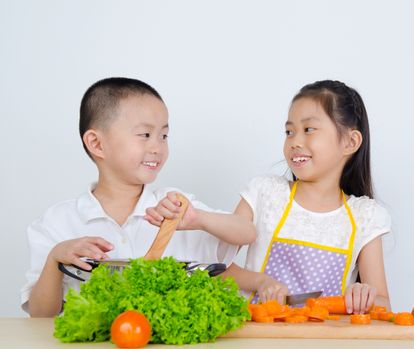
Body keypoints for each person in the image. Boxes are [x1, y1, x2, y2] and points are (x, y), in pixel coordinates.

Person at [21, 77, 256, 317]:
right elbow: (41, 314)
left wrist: (199, 219)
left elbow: (247, 232)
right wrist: (55, 259)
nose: (157, 147)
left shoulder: (174, 206)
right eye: (145, 134)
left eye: (164, 136)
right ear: (97, 144)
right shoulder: (59, 221)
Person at [224, 80, 391, 315]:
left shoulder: (365, 216)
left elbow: (384, 304)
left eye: (308, 130)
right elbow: (218, 269)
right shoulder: (265, 194)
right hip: (260, 338)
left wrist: (364, 297)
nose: (295, 142)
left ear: (350, 142)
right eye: (289, 132)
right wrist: (260, 282)